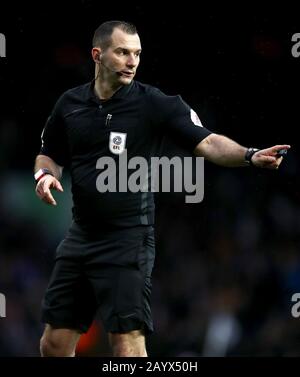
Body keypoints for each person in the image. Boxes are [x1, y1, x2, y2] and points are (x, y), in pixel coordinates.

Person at [34, 20, 290, 357]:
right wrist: (45, 176)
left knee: (127, 343)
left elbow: (209, 142)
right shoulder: (70, 104)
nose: (132, 61)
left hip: (128, 239)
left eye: (137, 53)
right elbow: (49, 154)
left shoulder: (154, 104)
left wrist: (249, 155)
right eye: (123, 52)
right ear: (97, 54)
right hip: (81, 235)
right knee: (54, 343)